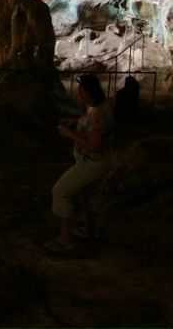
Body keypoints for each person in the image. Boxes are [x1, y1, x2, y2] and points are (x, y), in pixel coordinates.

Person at [46, 73, 114, 252]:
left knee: (60, 192)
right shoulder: (96, 107)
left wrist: (71, 135)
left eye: (81, 90)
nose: (78, 93)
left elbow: (93, 146)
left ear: (90, 92)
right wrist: (76, 121)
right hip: (94, 162)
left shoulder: (98, 114)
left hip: (92, 163)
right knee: (89, 194)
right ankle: (90, 230)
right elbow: (90, 123)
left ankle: (65, 239)